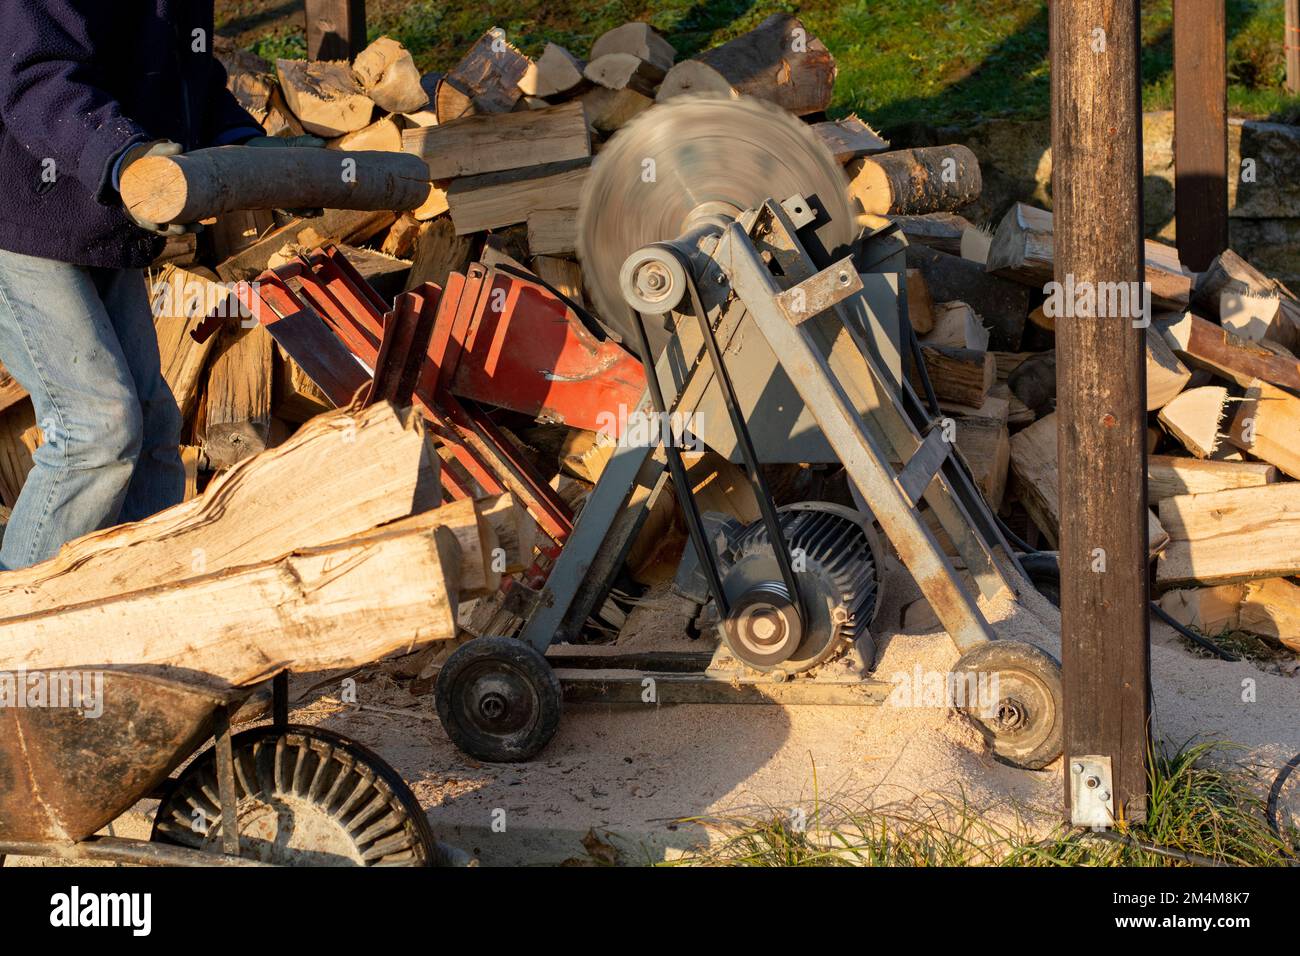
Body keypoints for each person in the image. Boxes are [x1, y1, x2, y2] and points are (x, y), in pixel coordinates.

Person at [0, 1, 318, 570]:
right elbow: (34, 77)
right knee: (94, 428)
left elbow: (185, 73)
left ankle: (137, 600)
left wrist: (237, 138)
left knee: (152, 426)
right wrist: (125, 158)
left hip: (97, 215)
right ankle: (17, 633)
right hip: (17, 213)